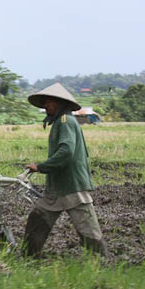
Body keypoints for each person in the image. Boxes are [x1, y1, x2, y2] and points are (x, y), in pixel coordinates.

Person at [23, 83, 108, 258]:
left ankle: (102, 259)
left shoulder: (65, 122)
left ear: (60, 104)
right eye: (45, 102)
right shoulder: (60, 123)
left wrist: (41, 167)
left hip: (71, 185)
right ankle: (28, 258)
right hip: (56, 187)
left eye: (50, 102)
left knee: (87, 227)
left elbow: (66, 152)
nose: (46, 105)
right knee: (37, 219)